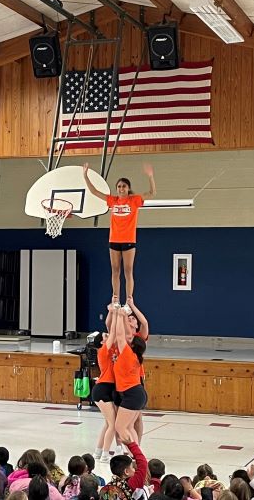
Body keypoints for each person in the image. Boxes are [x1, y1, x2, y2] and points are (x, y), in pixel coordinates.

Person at [83, 163, 155, 302]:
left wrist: (150, 176)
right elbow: (94, 192)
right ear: (117, 189)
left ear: (128, 188)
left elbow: (152, 193)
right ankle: (115, 298)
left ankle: (129, 299)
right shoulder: (113, 200)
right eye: (119, 186)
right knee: (115, 271)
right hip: (114, 240)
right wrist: (85, 176)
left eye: (124, 186)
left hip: (128, 240)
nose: (121, 188)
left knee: (128, 271)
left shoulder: (134, 200)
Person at [111, 306, 147, 443]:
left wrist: (120, 315)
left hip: (133, 393)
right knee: (127, 427)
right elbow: (121, 334)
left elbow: (120, 335)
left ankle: (136, 454)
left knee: (120, 426)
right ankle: (135, 455)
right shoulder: (136, 356)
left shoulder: (128, 354)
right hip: (134, 392)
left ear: (132, 345)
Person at [91, 309, 118, 462]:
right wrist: (115, 313)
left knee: (108, 423)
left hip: (107, 388)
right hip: (102, 389)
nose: (107, 336)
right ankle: (106, 455)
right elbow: (113, 332)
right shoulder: (103, 351)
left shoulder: (110, 349)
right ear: (102, 341)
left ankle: (98, 451)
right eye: (105, 336)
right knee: (113, 424)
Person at [99, 433, 148, 500]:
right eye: (132, 467)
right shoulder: (133, 483)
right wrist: (131, 444)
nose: (134, 470)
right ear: (126, 471)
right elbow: (143, 463)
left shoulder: (109, 486)